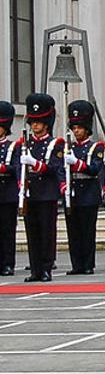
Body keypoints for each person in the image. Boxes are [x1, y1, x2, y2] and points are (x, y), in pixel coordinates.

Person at [18, 94, 60, 282]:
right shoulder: (25, 144)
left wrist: (34, 163)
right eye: (33, 121)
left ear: (46, 122)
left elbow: (54, 168)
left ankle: (45, 268)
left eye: (39, 122)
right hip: (30, 192)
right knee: (32, 232)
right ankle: (35, 269)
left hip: (46, 192)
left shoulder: (56, 144)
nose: (35, 125)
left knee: (46, 232)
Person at [63, 100, 105, 276]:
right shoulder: (67, 147)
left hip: (88, 192)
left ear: (87, 128)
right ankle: (76, 264)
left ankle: (88, 264)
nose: (76, 131)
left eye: (80, 127)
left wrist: (76, 163)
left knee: (87, 231)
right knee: (73, 231)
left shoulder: (96, 147)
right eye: (74, 127)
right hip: (72, 193)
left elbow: (94, 168)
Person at [0, 102, 17, 276]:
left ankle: (7, 263)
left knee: (7, 230)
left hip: (7, 193)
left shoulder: (13, 146)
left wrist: (3, 168)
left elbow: (17, 167)